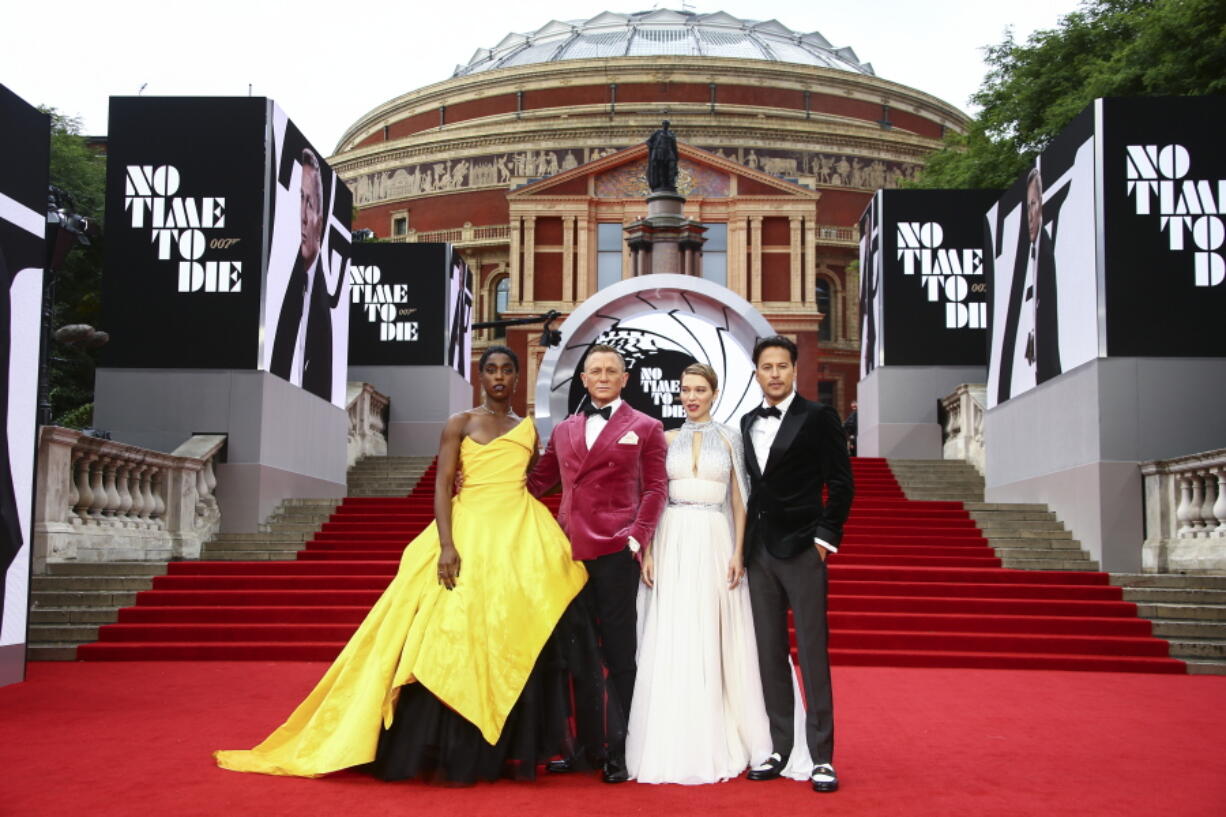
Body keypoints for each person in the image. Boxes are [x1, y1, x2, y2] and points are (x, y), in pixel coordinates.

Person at [215, 346, 587, 783]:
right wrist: (447, 545)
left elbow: (531, 480)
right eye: (491, 370)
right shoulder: (459, 424)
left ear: (518, 378)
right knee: (449, 630)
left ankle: (501, 738)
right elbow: (443, 486)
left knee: (507, 629)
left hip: (518, 536)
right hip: (467, 531)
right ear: (480, 377)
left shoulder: (527, 430)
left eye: (507, 370)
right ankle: (441, 735)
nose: (499, 377)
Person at [627, 363, 812, 785]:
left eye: (699, 389)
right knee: (673, 632)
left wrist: (738, 552)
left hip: (715, 538)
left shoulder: (731, 437)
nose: (691, 397)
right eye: (685, 390)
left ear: (714, 392)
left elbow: (740, 499)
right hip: (672, 537)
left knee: (715, 631)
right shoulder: (664, 437)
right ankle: (674, 733)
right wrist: (649, 551)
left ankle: (734, 729)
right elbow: (651, 496)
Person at [527, 344, 668, 783]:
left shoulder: (646, 427)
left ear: (625, 379)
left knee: (619, 653)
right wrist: (483, 478)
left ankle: (622, 749)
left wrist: (636, 537)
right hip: (567, 556)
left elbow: (657, 488)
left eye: (612, 370)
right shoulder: (566, 430)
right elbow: (536, 482)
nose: (603, 377)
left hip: (614, 554)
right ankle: (584, 748)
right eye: (595, 371)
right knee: (575, 655)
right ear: (583, 380)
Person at [740, 336, 854, 794]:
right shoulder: (748, 421)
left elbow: (841, 484)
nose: (773, 374)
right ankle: (780, 748)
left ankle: (822, 756)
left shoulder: (819, 417)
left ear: (793, 370)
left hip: (804, 550)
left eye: (781, 366)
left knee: (811, 653)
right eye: (766, 367)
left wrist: (824, 541)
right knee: (769, 654)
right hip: (759, 553)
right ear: (756, 373)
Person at [269, 148, 343, 402]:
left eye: (309, 204)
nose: (301, 215)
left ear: (320, 220)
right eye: (299, 199)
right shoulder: (278, 290)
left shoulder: (327, 311)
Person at [997, 167, 1062, 404]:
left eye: (1034, 205)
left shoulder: (1046, 251)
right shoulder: (1029, 255)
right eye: (1028, 207)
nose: (1030, 215)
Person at [646, 121, 678, 192]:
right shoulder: (658, 133)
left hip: (669, 152)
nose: (665, 125)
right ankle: (662, 184)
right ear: (662, 125)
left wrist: (676, 157)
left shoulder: (671, 134)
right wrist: (654, 148)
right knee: (661, 169)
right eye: (664, 124)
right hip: (660, 153)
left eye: (667, 124)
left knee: (671, 168)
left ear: (668, 125)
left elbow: (674, 146)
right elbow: (648, 142)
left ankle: (671, 184)